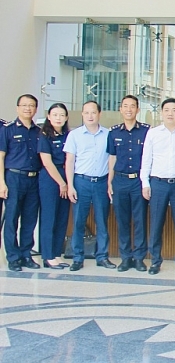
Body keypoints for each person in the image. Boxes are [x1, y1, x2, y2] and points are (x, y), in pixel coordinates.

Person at [140, 98, 175, 275]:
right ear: (161, 113)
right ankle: (155, 261)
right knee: (156, 224)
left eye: (174, 110)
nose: (170, 113)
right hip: (158, 183)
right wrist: (145, 183)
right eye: (167, 110)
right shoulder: (153, 133)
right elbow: (146, 159)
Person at [64, 100, 116, 271]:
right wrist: (70, 185)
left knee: (102, 221)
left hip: (101, 182)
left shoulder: (108, 134)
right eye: (86, 112)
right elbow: (70, 161)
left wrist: (110, 182)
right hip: (81, 182)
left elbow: (111, 160)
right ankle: (77, 258)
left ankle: (102, 256)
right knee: (78, 221)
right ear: (82, 114)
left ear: (99, 114)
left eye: (93, 112)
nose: (90, 116)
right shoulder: (74, 135)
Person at [107, 95, 150, 273]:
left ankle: (139, 258)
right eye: (125, 106)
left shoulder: (147, 131)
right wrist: (110, 181)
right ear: (121, 109)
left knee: (140, 220)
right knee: (122, 220)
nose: (129, 109)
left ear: (138, 110)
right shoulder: (114, 132)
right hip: (120, 180)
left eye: (132, 106)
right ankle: (125, 257)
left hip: (139, 181)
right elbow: (112, 157)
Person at [0, 94, 42, 271]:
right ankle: (13, 257)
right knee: (11, 219)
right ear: (17, 108)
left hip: (34, 179)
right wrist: (1, 182)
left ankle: (26, 254)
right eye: (24, 105)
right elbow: (1, 157)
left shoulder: (39, 131)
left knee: (30, 219)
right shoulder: (7, 129)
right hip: (13, 178)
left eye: (31, 105)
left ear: (36, 109)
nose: (28, 108)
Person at [38, 103, 71, 269]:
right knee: (49, 217)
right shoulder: (44, 136)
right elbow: (47, 162)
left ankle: (57, 254)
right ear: (49, 117)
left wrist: (67, 182)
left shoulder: (68, 135)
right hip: (51, 179)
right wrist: (62, 183)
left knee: (62, 218)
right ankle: (48, 256)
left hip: (66, 177)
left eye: (61, 115)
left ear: (66, 117)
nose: (58, 118)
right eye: (55, 115)